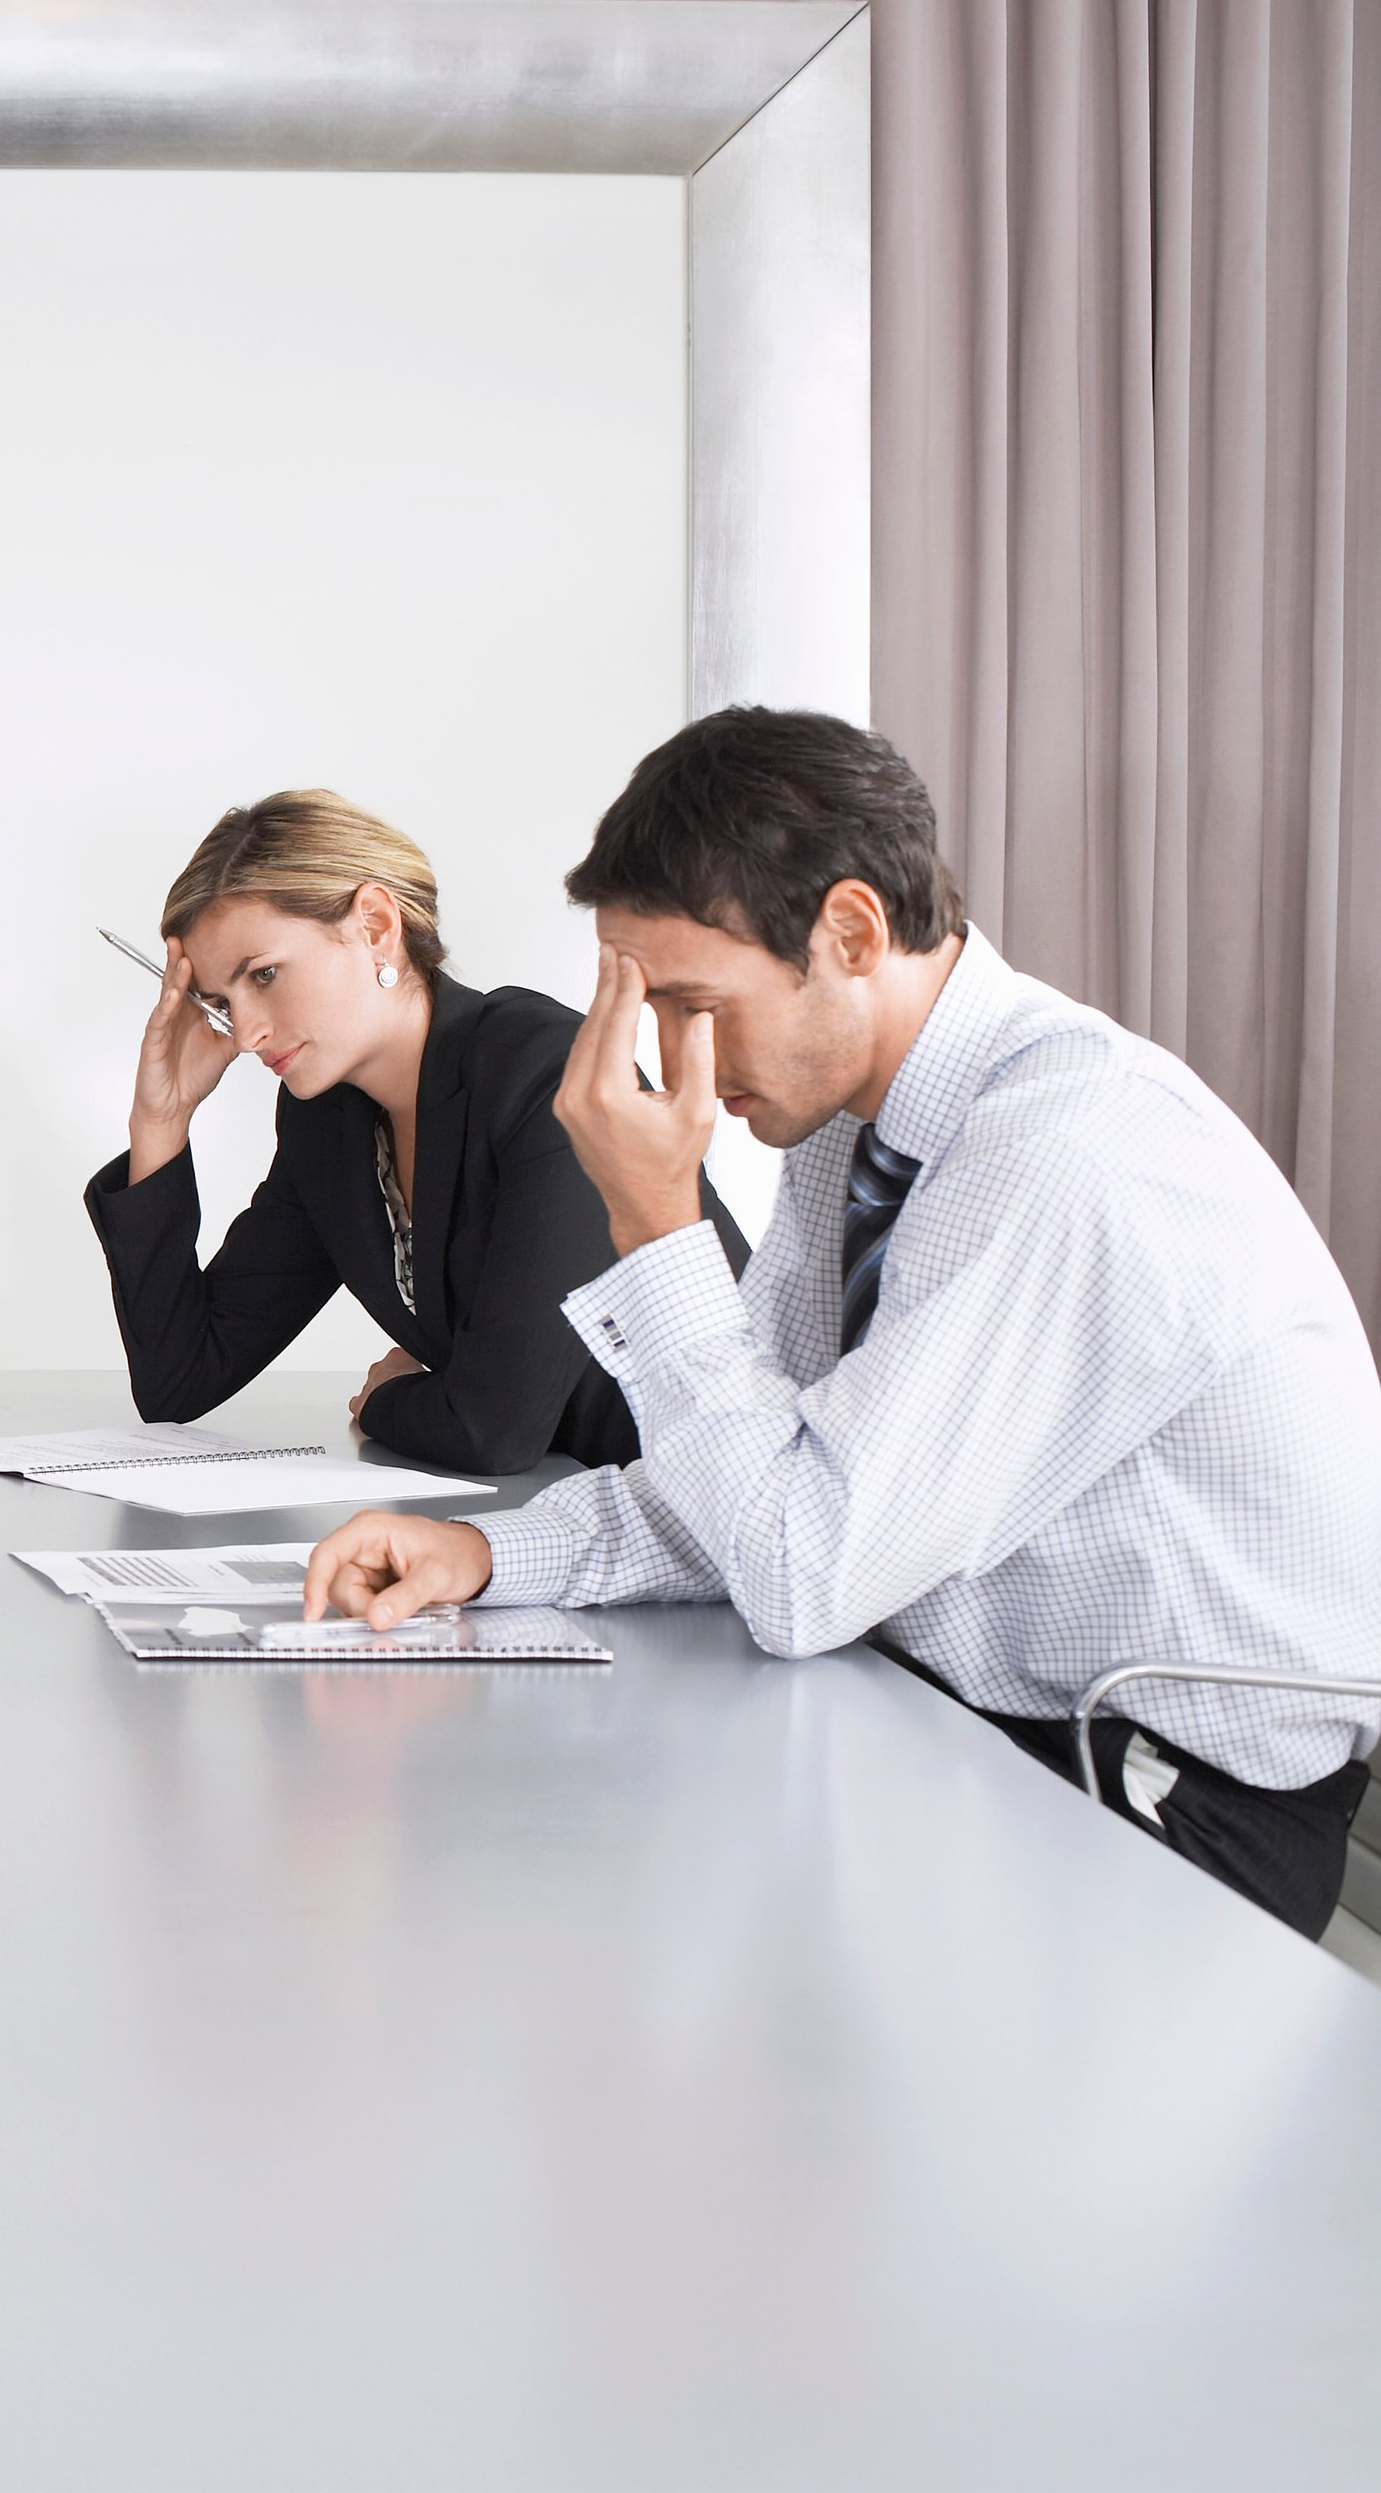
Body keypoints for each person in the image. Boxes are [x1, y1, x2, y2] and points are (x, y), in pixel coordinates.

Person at [304, 708, 1381, 1935]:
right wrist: (501, 1557)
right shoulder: (855, 1128)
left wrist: (658, 1226)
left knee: (585, 1913)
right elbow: (761, 1470)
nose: (670, 1059)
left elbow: (799, 1567)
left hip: (1152, 1811)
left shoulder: (1063, 1157)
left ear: (854, 932)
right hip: (979, 1719)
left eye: (691, 1004)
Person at [89, 792, 749, 1473]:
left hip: (743, 1504)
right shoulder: (329, 1123)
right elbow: (180, 1377)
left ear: (376, 924)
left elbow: (492, 1431)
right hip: (580, 1520)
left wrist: (387, 1398)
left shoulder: (543, 1076)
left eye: (265, 974)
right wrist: (161, 1121)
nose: (250, 1032)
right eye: (225, 1001)